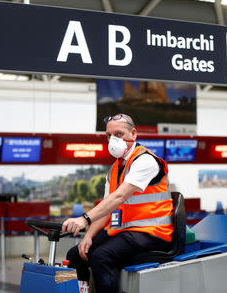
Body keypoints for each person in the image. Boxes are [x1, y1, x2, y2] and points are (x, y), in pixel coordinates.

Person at [62, 113, 174, 292]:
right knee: (75, 255)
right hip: (124, 231)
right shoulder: (114, 169)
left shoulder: (145, 161)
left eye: (119, 134)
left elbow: (119, 197)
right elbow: (107, 207)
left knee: (101, 256)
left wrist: (83, 220)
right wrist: (88, 235)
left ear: (134, 134)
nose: (112, 140)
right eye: (109, 135)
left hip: (151, 232)